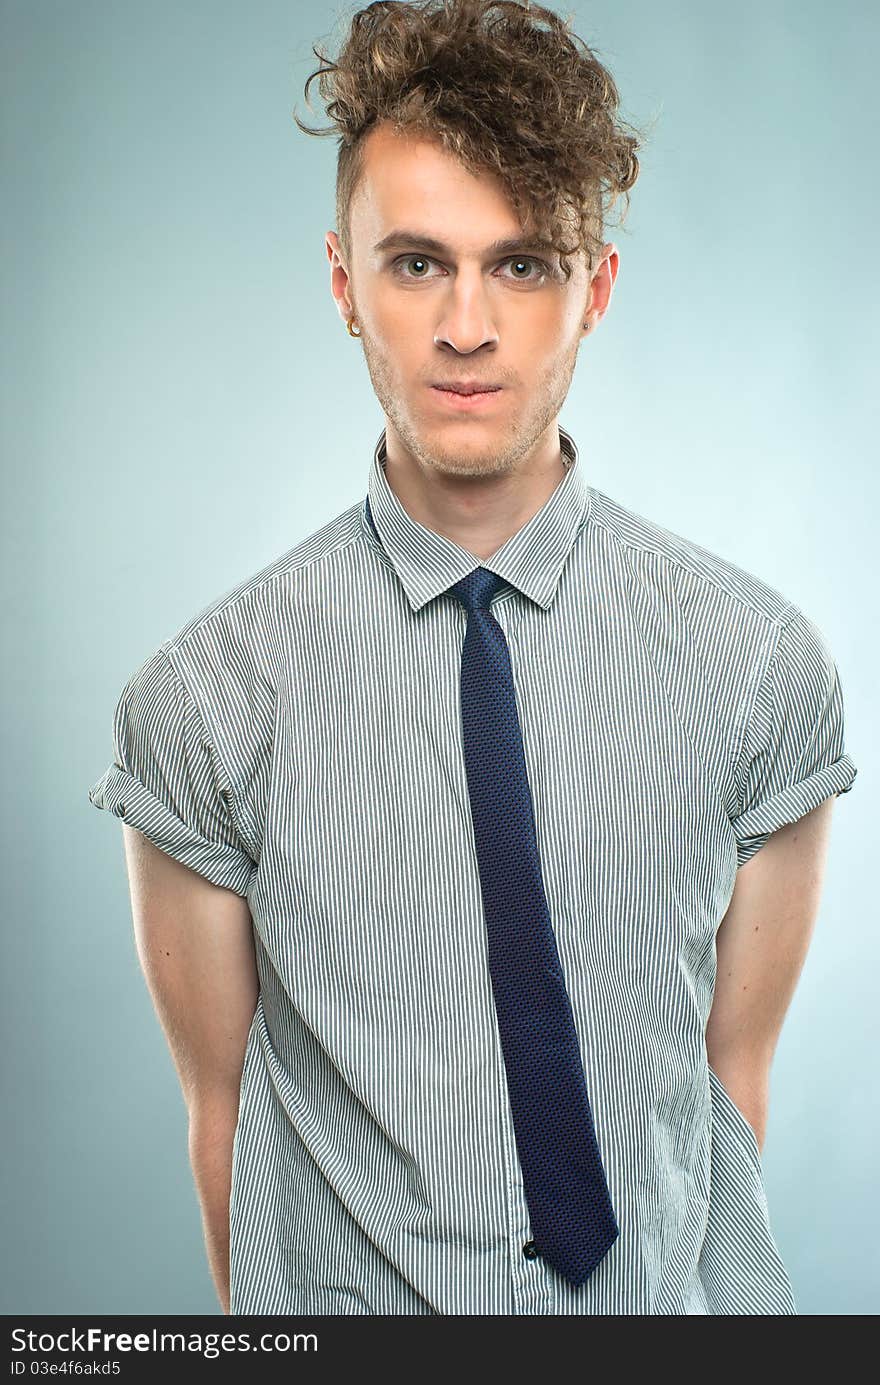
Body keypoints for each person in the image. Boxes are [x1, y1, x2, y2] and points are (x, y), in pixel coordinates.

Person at [88, 0, 857, 1316]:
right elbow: (223, 1128)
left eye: (521, 265)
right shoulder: (206, 699)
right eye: (416, 263)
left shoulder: (758, 665)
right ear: (344, 282)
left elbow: (730, 1094)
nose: (465, 327)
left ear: (593, 291)